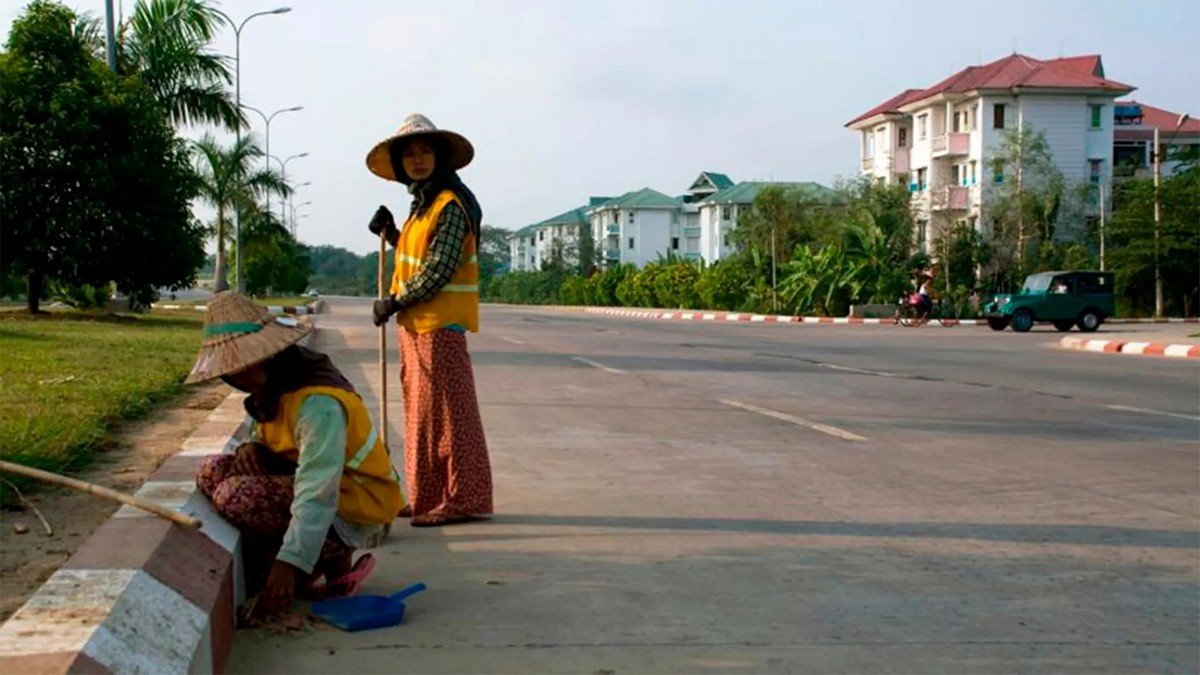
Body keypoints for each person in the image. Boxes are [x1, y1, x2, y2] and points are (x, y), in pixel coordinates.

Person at [187, 292, 403, 617]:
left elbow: (317, 490)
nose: (240, 377)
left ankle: (332, 556)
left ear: (271, 354)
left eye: (247, 363)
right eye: (233, 370)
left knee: (237, 496)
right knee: (212, 471)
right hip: (308, 480)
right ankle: (304, 557)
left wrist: (288, 564)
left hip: (352, 504)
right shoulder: (273, 389)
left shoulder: (319, 405)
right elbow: (272, 430)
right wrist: (254, 445)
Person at [364, 114, 494, 527]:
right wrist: (392, 235)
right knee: (421, 416)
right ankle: (425, 496)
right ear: (401, 165)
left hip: (441, 326)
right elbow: (418, 255)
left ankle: (464, 498)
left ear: (440, 158)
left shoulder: (451, 206)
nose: (418, 160)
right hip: (416, 326)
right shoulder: (420, 209)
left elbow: (439, 269)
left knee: (451, 417)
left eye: (425, 152)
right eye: (410, 154)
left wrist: (394, 301)